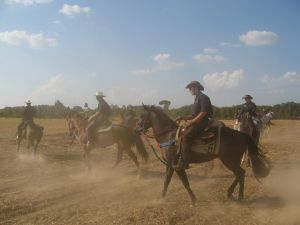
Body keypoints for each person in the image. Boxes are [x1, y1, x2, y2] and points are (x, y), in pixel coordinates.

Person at [173, 81, 213, 171]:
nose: (189, 90)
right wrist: (182, 117)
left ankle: (184, 162)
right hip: (199, 121)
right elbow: (194, 115)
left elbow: (203, 112)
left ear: (196, 88)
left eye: (190, 88)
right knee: (182, 131)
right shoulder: (196, 98)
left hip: (205, 122)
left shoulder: (203, 97)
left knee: (186, 137)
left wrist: (191, 122)